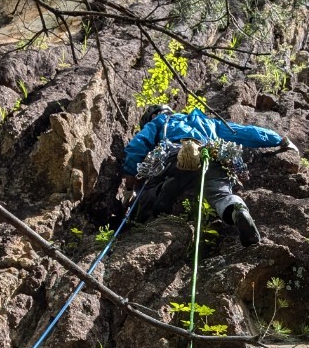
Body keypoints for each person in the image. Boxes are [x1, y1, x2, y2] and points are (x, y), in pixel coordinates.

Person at [123, 104, 297, 246]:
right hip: (211, 155)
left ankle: (164, 189)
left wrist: (130, 187)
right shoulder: (206, 121)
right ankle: (237, 210)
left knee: (149, 190)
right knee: (220, 195)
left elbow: (137, 146)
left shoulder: (160, 121)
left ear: (153, 115)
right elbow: (242, 132)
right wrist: (279, 139)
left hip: (174, 157)